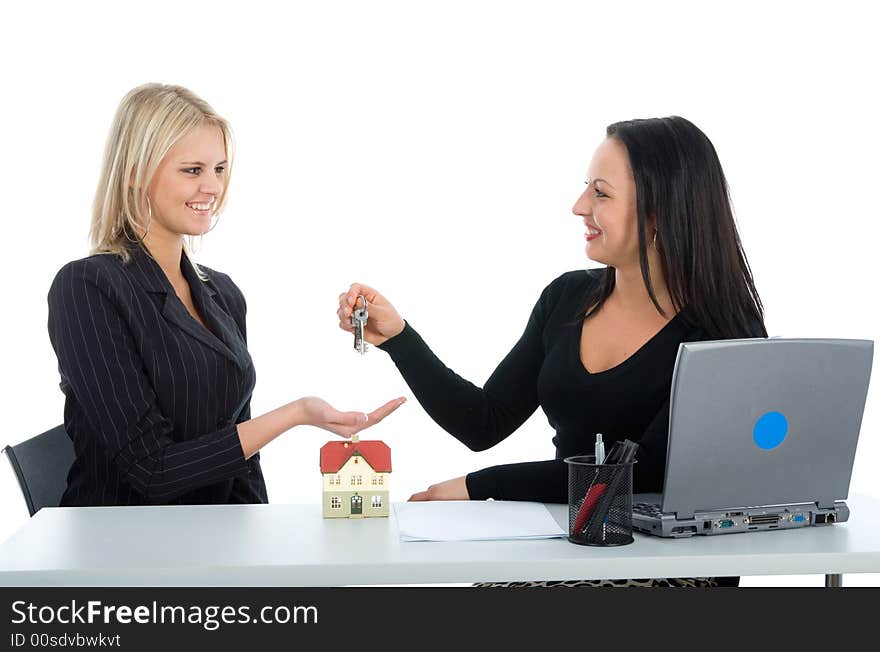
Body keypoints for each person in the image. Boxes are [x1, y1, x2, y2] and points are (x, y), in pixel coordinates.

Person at [336, 116, 765, 587]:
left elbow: (640, 474)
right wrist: (399, 337)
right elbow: (484, 422)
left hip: (670, 566)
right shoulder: (566, 299)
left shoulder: (725, 331)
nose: (579, 206)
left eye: (601, 193)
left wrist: (480, 486)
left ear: (660, 210)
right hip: (569, 545)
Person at [48, 83, 405, 507]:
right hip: (120, 547)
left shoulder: (222, 293)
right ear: (135, 173)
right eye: (193, 170)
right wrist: (296, 414)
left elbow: (241, 465)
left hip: (212, 538)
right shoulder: (87, 288)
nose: (213, 187)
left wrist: (263, 551)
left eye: (219, 169)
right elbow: (152, 471)